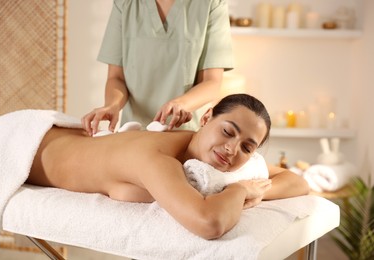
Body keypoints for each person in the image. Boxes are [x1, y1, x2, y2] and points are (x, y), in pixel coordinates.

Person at [27, 94, 310, 240]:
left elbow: (298, 182)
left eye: (247, 147)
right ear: (206, 117)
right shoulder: (156, 157)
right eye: (227, 131)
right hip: (30, 141)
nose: (232, 149)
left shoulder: (202, 158)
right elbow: (210, 223)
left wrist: (256, 191)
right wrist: (239, 190)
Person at [82, 0, 234, 136]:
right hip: (135, 135)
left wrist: (181, 104)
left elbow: (212, 82)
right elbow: (116, 78)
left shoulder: (212, 4)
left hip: (185, 134)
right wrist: (111, 106)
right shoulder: (124, 4)